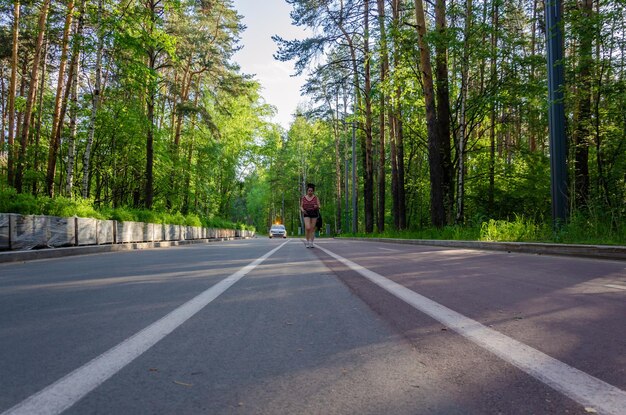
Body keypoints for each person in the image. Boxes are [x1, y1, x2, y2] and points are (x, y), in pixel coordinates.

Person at [300, 183, 320, 248]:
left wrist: (316, 206)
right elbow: (301, 206)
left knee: (312, 228)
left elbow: (319, 206)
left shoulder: (316, 198)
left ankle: (311, 242)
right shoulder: (304, 198)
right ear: (307, 191)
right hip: (306, 213)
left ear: (313, 191)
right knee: (308, 228)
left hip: (314, 213)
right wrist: (302, 210)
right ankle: (307, 241)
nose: (310, 192)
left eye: (311, 191)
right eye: (309, 190)